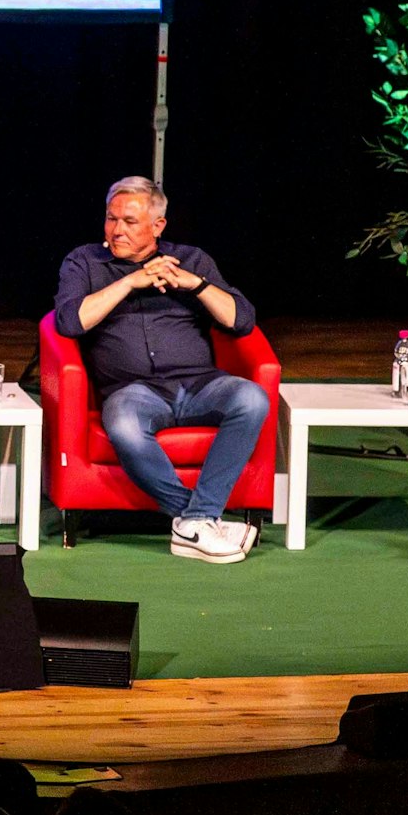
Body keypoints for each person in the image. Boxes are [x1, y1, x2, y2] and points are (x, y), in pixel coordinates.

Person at [52, 177, 267, 563]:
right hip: (134, 392)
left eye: (129, 222)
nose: (117, 229)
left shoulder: (191, 259)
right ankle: (200, 519)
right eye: (111, 219)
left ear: (158, 225)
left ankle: (196, 521)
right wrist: (130, 282)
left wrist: (195, 284)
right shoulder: (84, 262)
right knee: (123, 425)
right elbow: (69, 322)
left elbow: (243, 321)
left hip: (201, 384)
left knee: (252, 399)